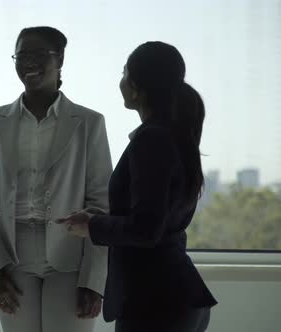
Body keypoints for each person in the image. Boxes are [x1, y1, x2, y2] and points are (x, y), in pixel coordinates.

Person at [57, 41, 218, 332]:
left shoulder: (152, 139)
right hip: (173, 296)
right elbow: (157, 216)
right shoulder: (174, 134)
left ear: (136, 86)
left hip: (154, 302)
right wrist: (103, 217)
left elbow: (146, 229)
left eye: (124, 72)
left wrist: (92, 226)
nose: (120, 81)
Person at [0, 26, 113, 332]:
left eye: (38, 54)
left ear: (59, 59)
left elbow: (101, 204)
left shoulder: (89, 123)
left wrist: (94, 280)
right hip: (11, 256)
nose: (28, 62)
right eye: (22, 55)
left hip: (72, 256)